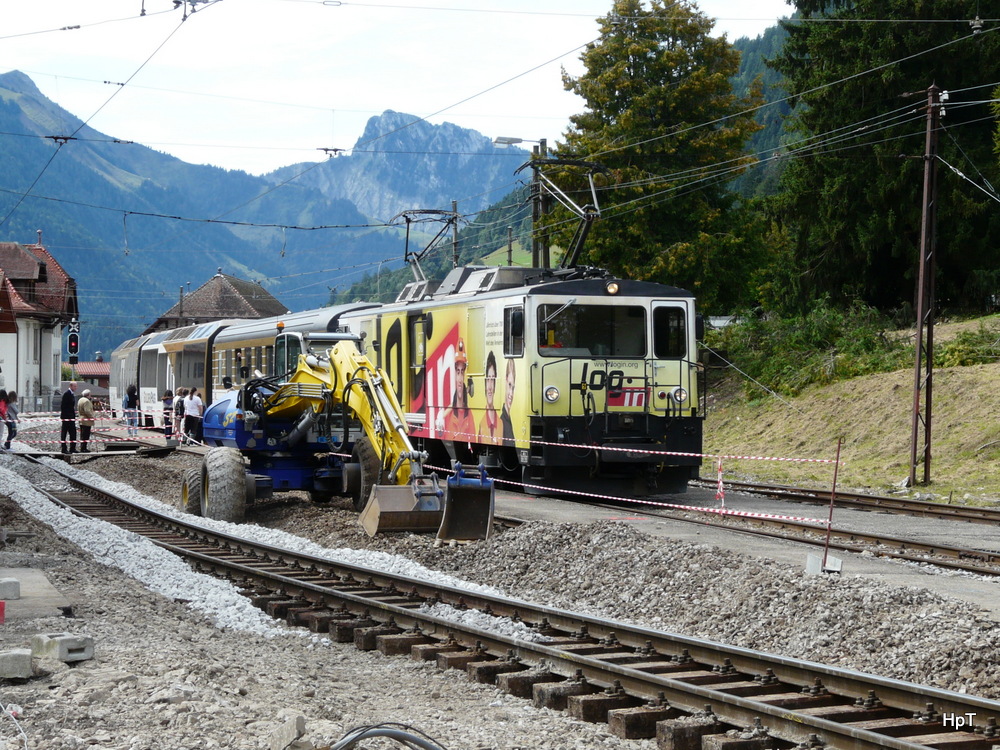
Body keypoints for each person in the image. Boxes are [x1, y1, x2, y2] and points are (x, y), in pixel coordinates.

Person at [440, 339, 475, 440]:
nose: (460, 379)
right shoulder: (448, 416)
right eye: (458, 372)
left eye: (462, 372)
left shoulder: (469, 416)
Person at [477, 351, 502, 446]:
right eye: (488, 379)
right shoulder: (480, 423)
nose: (490, 386)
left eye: (493, 379)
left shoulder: (501, 424)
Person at [500, 357, 516, 444]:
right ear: (505, 380)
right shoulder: (502, 423)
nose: (511, 394)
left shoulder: (509, 420)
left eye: (513, 388)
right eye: (509, 385)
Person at [60, 381, 78, 454]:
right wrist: (66, 417)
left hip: (71, 417)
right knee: (64, 433)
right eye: (75, 386)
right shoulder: (66, 394)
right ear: (71, 386)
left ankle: (72, 448)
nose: (76, 388)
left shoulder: (71, 394)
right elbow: (63, 406)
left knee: (73, 433)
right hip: (67, 417)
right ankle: (64, 449)